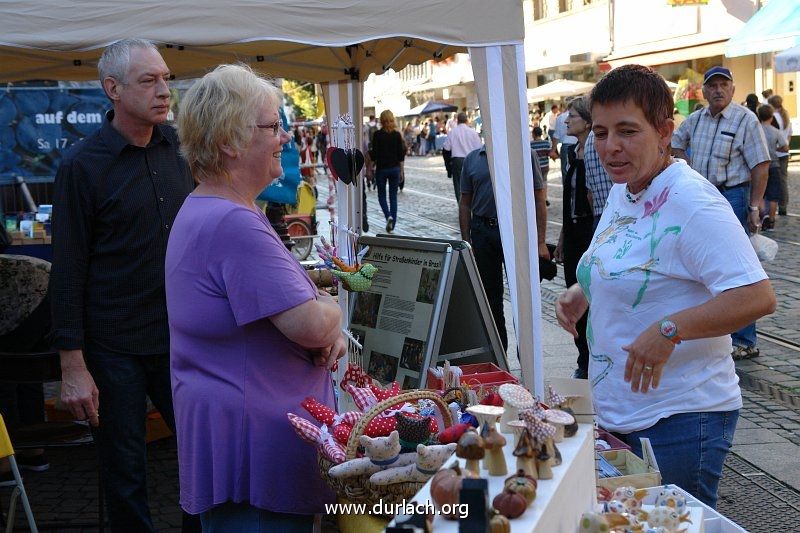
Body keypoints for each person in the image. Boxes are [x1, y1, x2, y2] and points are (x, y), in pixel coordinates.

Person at [557, 64, 776, 508]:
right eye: (600, 133)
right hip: (622, 410)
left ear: (664, 132)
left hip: (679, 419)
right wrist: (587, 288)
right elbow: (628, 253)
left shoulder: (692, 202)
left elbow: (756, 296)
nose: (611, 147)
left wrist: (668, 329)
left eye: (627, 131)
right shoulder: (628, 185)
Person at [167, 64, 346, 530]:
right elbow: (310, 325)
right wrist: (334, 310)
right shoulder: (234, 221)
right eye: (272, 125)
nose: (284, 136)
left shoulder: (209, 205)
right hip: (256, 454)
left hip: (237, 440)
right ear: (230, 141)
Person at [49, 39, 198, 533]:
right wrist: (73, 366)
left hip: (180, 336)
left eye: (166, 78)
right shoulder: (81, 166)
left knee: (199, 456)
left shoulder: (181, 149)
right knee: (125, 468)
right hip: (113, 344)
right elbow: (67, 268)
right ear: (112, 89)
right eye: (148, 80)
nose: (163, 90)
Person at [672, 66, 770, 361]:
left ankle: (744, 339)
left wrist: (754, 205)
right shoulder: (696, 119)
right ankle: (717, 330)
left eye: (722, 85)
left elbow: (761, 165)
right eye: (711, 85)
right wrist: (685, 162)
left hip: (733, 195)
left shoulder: (746, 119)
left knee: (737, 267)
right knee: (702, 262)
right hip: (701, 195)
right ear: (703, 91)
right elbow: (673, 143)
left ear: (732, 89)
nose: (717, 90)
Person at [459, 145, 549, 351]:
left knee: (522, 296)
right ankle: (499, 354)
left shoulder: (525, 154)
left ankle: (526, 357)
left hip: (515, 230)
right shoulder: (472, 159)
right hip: (482, 230)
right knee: (490, 298)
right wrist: (467, 241)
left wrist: (540, 241)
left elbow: (538, 198)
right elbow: (465, 203)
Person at [0, 238, 50, 485]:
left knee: (7, 376)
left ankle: (6, 462)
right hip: (35, 287)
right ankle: (34, 452)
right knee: (28, 373)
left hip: (22, 293)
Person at [554, 97, 594, 379]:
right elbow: (568, 200)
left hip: (588, 232)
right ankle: (583, 355)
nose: (566, 121)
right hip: (573, 232)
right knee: (573, 291)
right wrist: (561, 238)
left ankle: (590, 360)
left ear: (587, 122)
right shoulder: (573, 151)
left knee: (589, 297)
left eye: (572, 117)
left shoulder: (593, 151)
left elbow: (594, 200)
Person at [369, 109, 406, 233]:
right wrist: (401, 170)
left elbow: (374, 155)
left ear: (381, 120)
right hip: (395, 169)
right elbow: (401, 155)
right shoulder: (396, 135)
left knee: (381, 196)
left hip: (382, 169)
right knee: (393, 197)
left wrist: (370, 166)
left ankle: (388, 216)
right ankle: (392, 224)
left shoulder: (377, 135)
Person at [757, 104, 788, 230]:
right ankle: (771, 220)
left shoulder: (756, 129)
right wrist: (776, 149)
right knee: (773, 195)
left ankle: (762, 215)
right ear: (771, 117)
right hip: (774, 164)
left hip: (759, 164)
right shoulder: (775, 131)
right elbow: (785, 147)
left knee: (760, 193)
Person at [443, 112, 483, 201]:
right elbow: (479, 148)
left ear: (457, 121)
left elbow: (446, 149)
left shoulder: (452, 132)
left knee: (458, 184)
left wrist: (448, 167)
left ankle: (461, 204)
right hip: (472, 160)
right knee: (472, 183)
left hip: (457, 161)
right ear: (467, 120)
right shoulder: (473, 132)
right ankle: (472, 203)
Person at [583, 130, 614, 231]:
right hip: (618, 215)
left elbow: (590, 193)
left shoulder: (589, 140)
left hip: (599, 216)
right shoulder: (613, 134)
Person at [767, 95, 792, 216]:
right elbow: (789, 135)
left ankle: (773, 207)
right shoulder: (786, 116)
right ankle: (783, 206)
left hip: (775, 153)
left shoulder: (774, 117)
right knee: (783, 181)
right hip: (785, 152)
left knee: (773, 182)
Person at [549, 100, 578, 179]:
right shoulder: (579, 116)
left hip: (566, 146)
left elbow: (556, 136)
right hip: (578, 145)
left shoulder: (561, 117)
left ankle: (568, 190)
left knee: (566, 173)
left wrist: (553, 151)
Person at [531, 126, 551, 203]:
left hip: (536, 168)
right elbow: (549, 153)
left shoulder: (531, 144)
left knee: (537, 184)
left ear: (533, 134)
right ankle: (545, 198)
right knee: (544, 182)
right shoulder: (546, 143)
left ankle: (538, 199)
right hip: (545, 167)